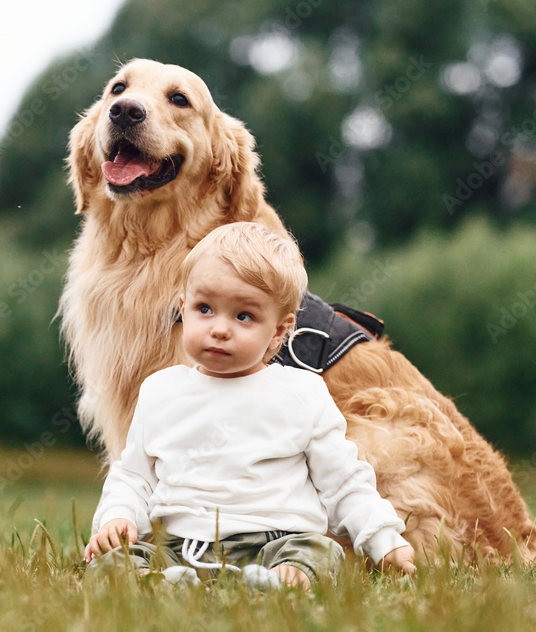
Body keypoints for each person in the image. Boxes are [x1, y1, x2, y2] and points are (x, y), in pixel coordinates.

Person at [84, 222, 416, 589]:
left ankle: (277, 582)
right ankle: (161, 582)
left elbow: (343, 481)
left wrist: (384, 541)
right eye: (205, 308)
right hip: (179, 545)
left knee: (320, 552)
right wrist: (117, 517)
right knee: (115, 562)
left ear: (278, 330)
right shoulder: (161, 391)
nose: (220, 329)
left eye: (243, 316)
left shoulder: (302, 392)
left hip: (275, 542)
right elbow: (133, 477)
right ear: (183, 308)